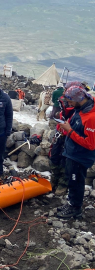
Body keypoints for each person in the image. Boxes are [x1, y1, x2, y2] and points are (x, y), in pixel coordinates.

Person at [56, 86, 95, 218]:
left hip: (80, 156)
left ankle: (75, 208)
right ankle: (72, 202)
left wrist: (69, 130)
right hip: (73, 152)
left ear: (79, 98)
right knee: (72, 180)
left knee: (77, 180)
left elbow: (90, 144)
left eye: (70, 101)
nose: (69, 104)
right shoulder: (81, 109)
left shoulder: (91, 117)